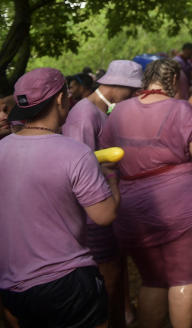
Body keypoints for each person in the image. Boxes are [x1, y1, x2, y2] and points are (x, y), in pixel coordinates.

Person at [0, 68, 119, 328]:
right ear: (59, 99)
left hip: (13, 286)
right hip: (68, 282)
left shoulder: (2, 149)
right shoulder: (75, 152)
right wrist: (110, 176)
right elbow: (104, 215)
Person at [101, 59, 192, 328]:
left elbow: (105, 159)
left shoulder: (119, 112)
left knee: (153, 280)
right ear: (173, 82)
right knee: (183, 278)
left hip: (130, 209)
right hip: (178, 207)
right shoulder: (181, 109)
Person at [62, 59, 142, 328]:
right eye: (130, 90)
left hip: (107, 201)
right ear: (116, 86)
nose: (132, 96)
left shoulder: (100, 110)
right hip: (92, 212)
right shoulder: (84, 115)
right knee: (107, 276)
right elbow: (76, 168)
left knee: (116, 271)